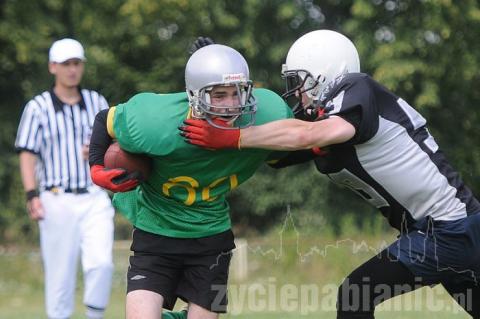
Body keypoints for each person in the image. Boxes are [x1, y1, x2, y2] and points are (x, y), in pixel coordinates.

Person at [180, 30, 480, 318]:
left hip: (448, 228)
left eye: (300, 80)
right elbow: (274, 148)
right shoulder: (324, 121)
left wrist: (230, 139)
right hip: (448, 230)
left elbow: (311, 134)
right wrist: (219, 75)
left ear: (325, 73)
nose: (298, 91)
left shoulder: (356, 88)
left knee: (355, 295)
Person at [88, 44, 292, 319]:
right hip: (157, 229)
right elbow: (105, 120)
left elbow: (285, 154)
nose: (231, 105)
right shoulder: (156, 122)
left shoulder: (268, 115)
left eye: (237, 93)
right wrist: (96, 167)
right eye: (219, 95)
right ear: (194, 96)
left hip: (210, 236)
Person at [15, 38, 115, 319]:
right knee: (60, 276)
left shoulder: (97, 102)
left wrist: (99, 152)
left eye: (76, 63)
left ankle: (94, 315)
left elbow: (115, 148)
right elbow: (27, 153)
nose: (72, 70)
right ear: (53, 67)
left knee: (101, 264)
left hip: (94, 195)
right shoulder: (38, 107)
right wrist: (31, 194)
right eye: (66, 64)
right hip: (56, 197)